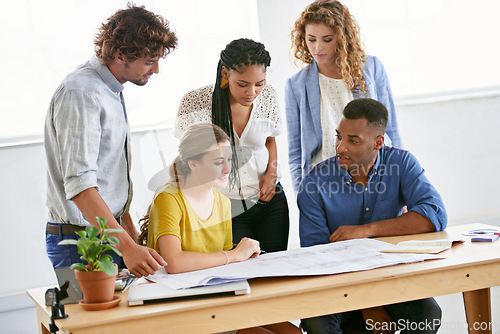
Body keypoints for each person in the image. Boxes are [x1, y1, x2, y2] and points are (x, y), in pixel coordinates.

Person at [44, 4, 178, 278]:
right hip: (82, 242)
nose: (156, 70)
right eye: (150, 61)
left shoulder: (110, 89)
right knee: (93, 323)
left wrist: (132, 237)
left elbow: (109, 178)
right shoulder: (82, 93)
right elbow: (81, 186)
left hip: (108, 234)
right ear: (120, 55)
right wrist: (127, 247)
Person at [297, 98, 447, 334]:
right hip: (335, 285)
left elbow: (433, 215)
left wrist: (365, 231)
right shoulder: (314, 184)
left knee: (427, 315)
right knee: (318, 324)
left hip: (388, 279)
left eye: (353, 140)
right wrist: (367, 303)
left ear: (378, 142)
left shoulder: (401, 163)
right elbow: (316, 257)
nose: (340, 148)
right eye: (339, 137)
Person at [138, 123, 301, 334]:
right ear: (193, 163)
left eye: (230, 160)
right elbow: (174, 263)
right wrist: (234, 255)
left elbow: (223, 267)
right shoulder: (169, 198)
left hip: (214, 298)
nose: (227, 169)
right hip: (179, 304)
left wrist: (243, 259)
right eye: (218, 162)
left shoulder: (222, 201)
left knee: (293, 332)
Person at [174, 38, 289, 252]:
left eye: (259, 84)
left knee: (277, 269)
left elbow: (270, 140)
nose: (251, 93)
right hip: (225, 206)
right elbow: (186, 155)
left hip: (270, 200)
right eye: (243, 84)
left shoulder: (269, 97)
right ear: (225, 73)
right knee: (240, 271)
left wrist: (271, 174)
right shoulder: (195, 102)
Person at [286, 0, 404, 192]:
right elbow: (295, 152)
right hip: (326, 180)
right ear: (302, 38)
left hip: (374, 173)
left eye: (327, 39)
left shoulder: (371, 68)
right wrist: (301, 193)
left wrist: (402, 183)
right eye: (311, 39)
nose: (317, 48)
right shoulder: (296, 85)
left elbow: (391, 130)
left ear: (342, 38)